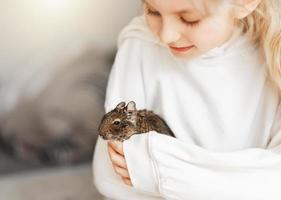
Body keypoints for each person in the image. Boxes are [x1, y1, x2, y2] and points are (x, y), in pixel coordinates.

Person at [93, 0, 281, 199]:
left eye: (189, 19)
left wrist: (162, 172)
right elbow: (111, 176)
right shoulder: (140, 44)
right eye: (153, 11)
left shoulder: (272, 57)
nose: (167, 35)